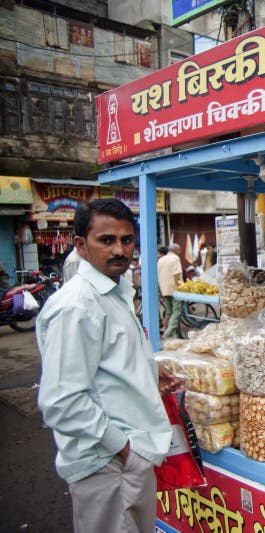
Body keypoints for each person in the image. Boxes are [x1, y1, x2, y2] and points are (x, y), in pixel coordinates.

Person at [36, 198, 182, 533]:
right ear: (81, 245)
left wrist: (147, 371)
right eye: (106, 240)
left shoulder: (113, 292)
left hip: (125, 457)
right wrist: (123, 449)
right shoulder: (78, 305)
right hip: (107, 462)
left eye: (126, 240)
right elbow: (62, 401)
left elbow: (107, 362)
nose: (119, 250)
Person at [157, 243, 183, 338]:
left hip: (164, 288)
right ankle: (168, 333)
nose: (180, 253)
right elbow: (176, 275)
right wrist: (180, 288)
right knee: (177, 311)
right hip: (174, 289)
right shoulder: (175, 258)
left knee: (169, 312)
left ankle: (176, 335)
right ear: (176, 250)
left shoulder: (160, 260)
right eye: (179, 251)